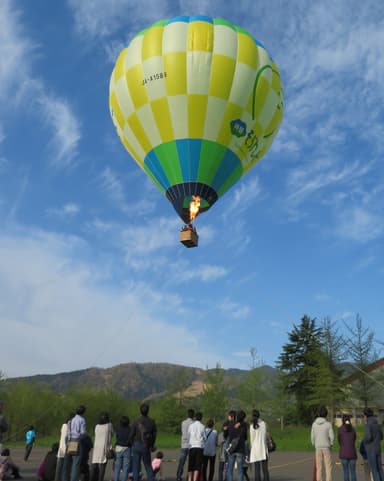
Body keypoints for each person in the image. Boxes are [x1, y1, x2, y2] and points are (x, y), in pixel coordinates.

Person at [130, 403, 157, 481]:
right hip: (146, 445)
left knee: (136, 466)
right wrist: (151, 445)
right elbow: (154, 435)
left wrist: (131, 443)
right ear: (148, 411)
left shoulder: (136, 421)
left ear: (140, 411)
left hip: (136, 444)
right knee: (148, 465)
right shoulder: (152, 421)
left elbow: (131, 434)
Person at [62, 405, 87, 481]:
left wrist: (67, 442)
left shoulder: (71, 420)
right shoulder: (82, 420)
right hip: (77, 441)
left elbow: (67, 432)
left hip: (69, 440)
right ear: (83, 412)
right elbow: (83, 433)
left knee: (66, 464)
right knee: (75, 464)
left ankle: (64, 479)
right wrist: (85, 435)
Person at [311, 405, 334, 481]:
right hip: (326, 447)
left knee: (319, 468)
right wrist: (331, 444)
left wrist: (314, 443)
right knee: (328, 467)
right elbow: (332, 436)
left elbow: (312, 436)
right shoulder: (328, 424)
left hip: (318, 447)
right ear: (326, 414)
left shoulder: (314, 424)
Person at [90, 412, 114, 481]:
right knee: (102, 465)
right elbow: (112, 434)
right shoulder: (109, 425)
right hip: (104, 447)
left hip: (96, 446)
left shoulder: (96, 426)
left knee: (94, 464)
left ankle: (92, 479)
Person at [363, 408, 384, 481]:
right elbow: (381, 436)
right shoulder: (377, 424)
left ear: (366, 416)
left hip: (371, 449)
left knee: (374, 470)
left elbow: (368, 437)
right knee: (380, 469)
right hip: (378, 448)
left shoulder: (368, 424)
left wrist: (364, 441)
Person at [226, 410, 248, 481]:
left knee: (230, 469)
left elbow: (227, 435)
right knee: (240, 470)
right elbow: (245, 438)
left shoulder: (231, 424)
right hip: (240, 449)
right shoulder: (244, 426)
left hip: (232, 448)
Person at [249, 409, 269, 481]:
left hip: (255, 449)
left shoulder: (252, 426)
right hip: (263, 449)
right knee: (265, 470)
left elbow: (252, 440)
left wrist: (251, 449)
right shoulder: (264, 424)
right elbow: (266, 435)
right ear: (259, 415)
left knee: (257, 470)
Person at [176, 409, 194, 481]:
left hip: (184, 444)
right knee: (191, 462)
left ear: (187, 414)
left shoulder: (183, 422)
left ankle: (178, 476)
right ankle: (189, 477)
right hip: (191, 445)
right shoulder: (193, 423)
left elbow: (183, 432)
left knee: (181, 462)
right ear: (193, 415)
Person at [55, 414, 74, 481]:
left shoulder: (63, 425)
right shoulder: (70, 426)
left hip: (61, 448)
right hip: (67, 448)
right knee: (67, 468)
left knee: (59, 468)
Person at [337, 414, 357, 481]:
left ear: (343, 420)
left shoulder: (340, 429)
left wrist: (343, 446)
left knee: (346, 472)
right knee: (353, 472)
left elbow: (339, 440)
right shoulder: (353, 429)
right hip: (352, 453)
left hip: (343, 453)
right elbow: (354, 439)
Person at [187, 412, 205, 481]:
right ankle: (195, 479)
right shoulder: (203, 426)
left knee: (191, 464)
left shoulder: (191, 426)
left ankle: (189, 479)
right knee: (197, 465)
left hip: (192, 446)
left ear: (195, 417)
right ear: (201, 418)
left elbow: (188, 436)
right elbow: (204, 438)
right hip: (200, 447)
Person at [114, 416, 132, 481]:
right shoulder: (130, 429)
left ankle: (116, 479)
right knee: (125, 468)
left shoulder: (118, 429)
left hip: (118, 448)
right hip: (127, 448)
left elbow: (117, 437)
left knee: (117, 467)